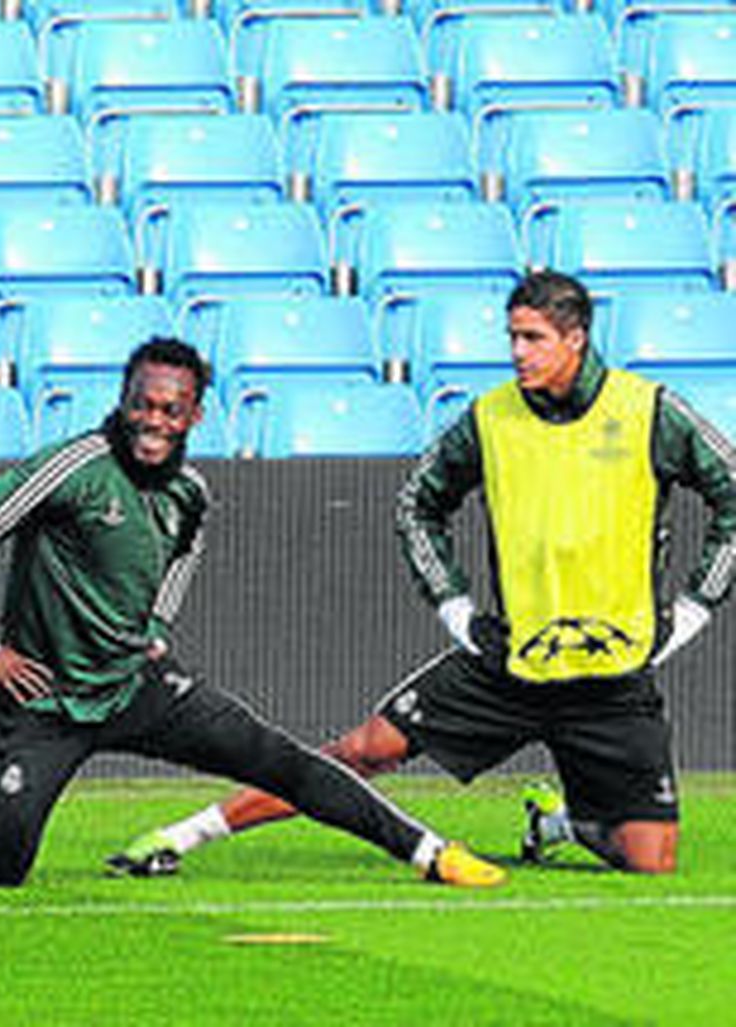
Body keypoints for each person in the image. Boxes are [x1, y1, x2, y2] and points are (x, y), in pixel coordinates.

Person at [110, 271, 736, 878]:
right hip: (509, 660)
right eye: (512, 337)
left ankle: (559, 825)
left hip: (613, 669)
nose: (517, 352)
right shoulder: (490, 417)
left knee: (649, 860)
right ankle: (183, 834)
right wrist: (454, 607)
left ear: (575, 339)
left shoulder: (649, 410)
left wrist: (693, 609)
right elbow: (417, 502)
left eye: (533, 338)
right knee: (364, 750)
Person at [0, 337, 506, 889]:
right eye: (142, 405)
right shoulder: (78, 465)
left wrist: (156, 625)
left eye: (170, 410)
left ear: (195, 417)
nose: (154, 421)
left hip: (138, 686)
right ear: (123, 401)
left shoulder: (190, 491)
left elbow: (184, 552)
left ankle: (431, 853)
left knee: (281, 760)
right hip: (46, 699)